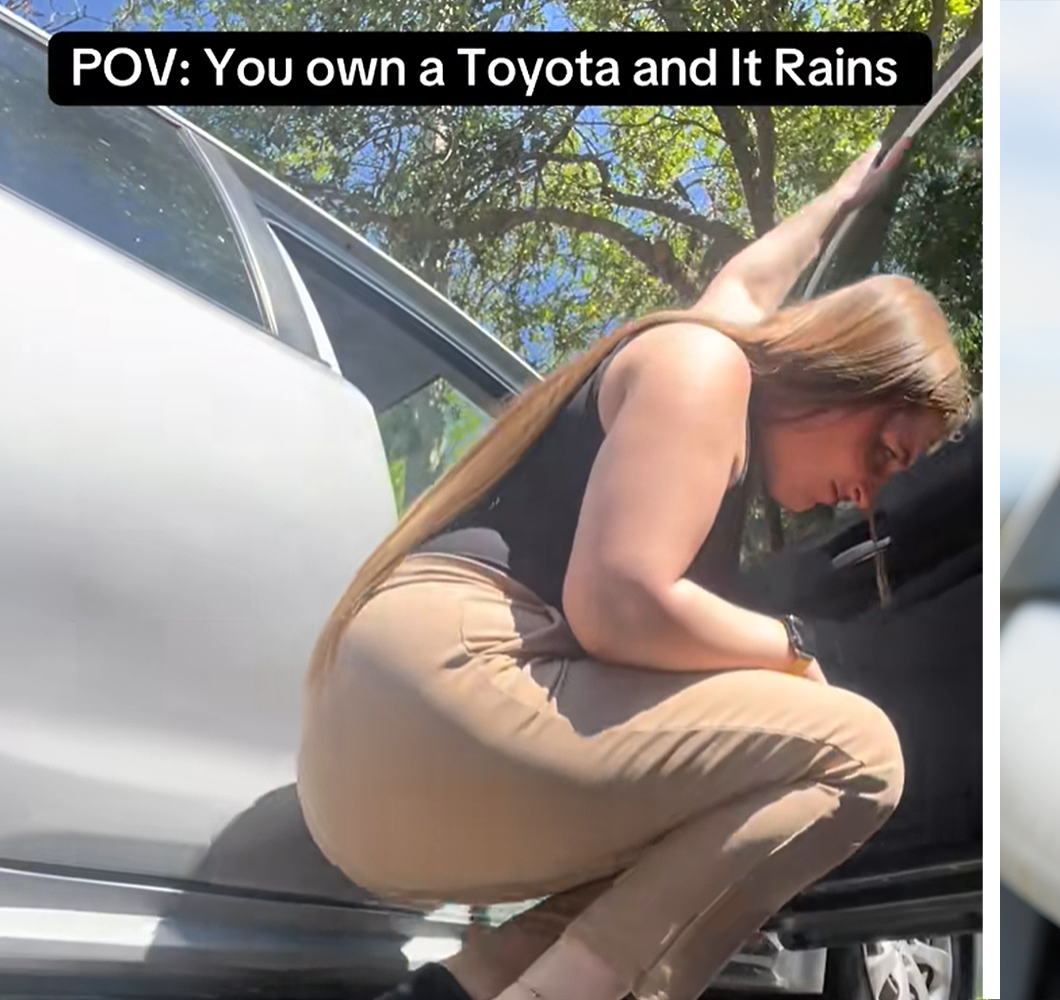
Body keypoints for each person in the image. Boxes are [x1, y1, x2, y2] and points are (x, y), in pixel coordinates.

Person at [295, 145, 971, 1000]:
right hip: (448, 685)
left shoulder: (703, 356)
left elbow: (749, 281)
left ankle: (456, 991)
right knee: (858, 750)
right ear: (842, 371)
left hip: (374, 764)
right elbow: (617, 603)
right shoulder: (705, 368)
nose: (871, 494)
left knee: (701, 824)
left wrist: (843, 196)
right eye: (884, 449)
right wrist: (798, 646)